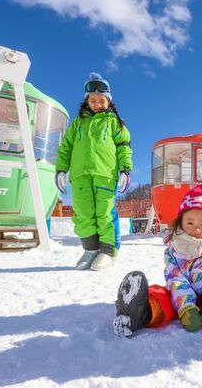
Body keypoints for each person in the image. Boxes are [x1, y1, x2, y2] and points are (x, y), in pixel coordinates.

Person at [113, 185, 202, 337]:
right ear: (180, 223)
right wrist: (186, 307)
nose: (197, 229)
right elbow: (176, 279)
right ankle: (140, 312)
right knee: (162, 295)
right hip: (180, 296)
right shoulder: (174, 251)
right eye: (190, 223)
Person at [55, 73, 133, 271]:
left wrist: (125, 169)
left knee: (104, 213)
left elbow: (124, 147)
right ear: (87, 100)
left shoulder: (114, 122)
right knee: (83, 213)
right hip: (80, 175)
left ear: (109, 102)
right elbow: (65, 147)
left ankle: (107, 251)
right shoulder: (77, 123)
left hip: (105, 174)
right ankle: (90, 249)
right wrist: (61, 169)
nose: (97, 104)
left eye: (102, 101)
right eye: (93, 100)